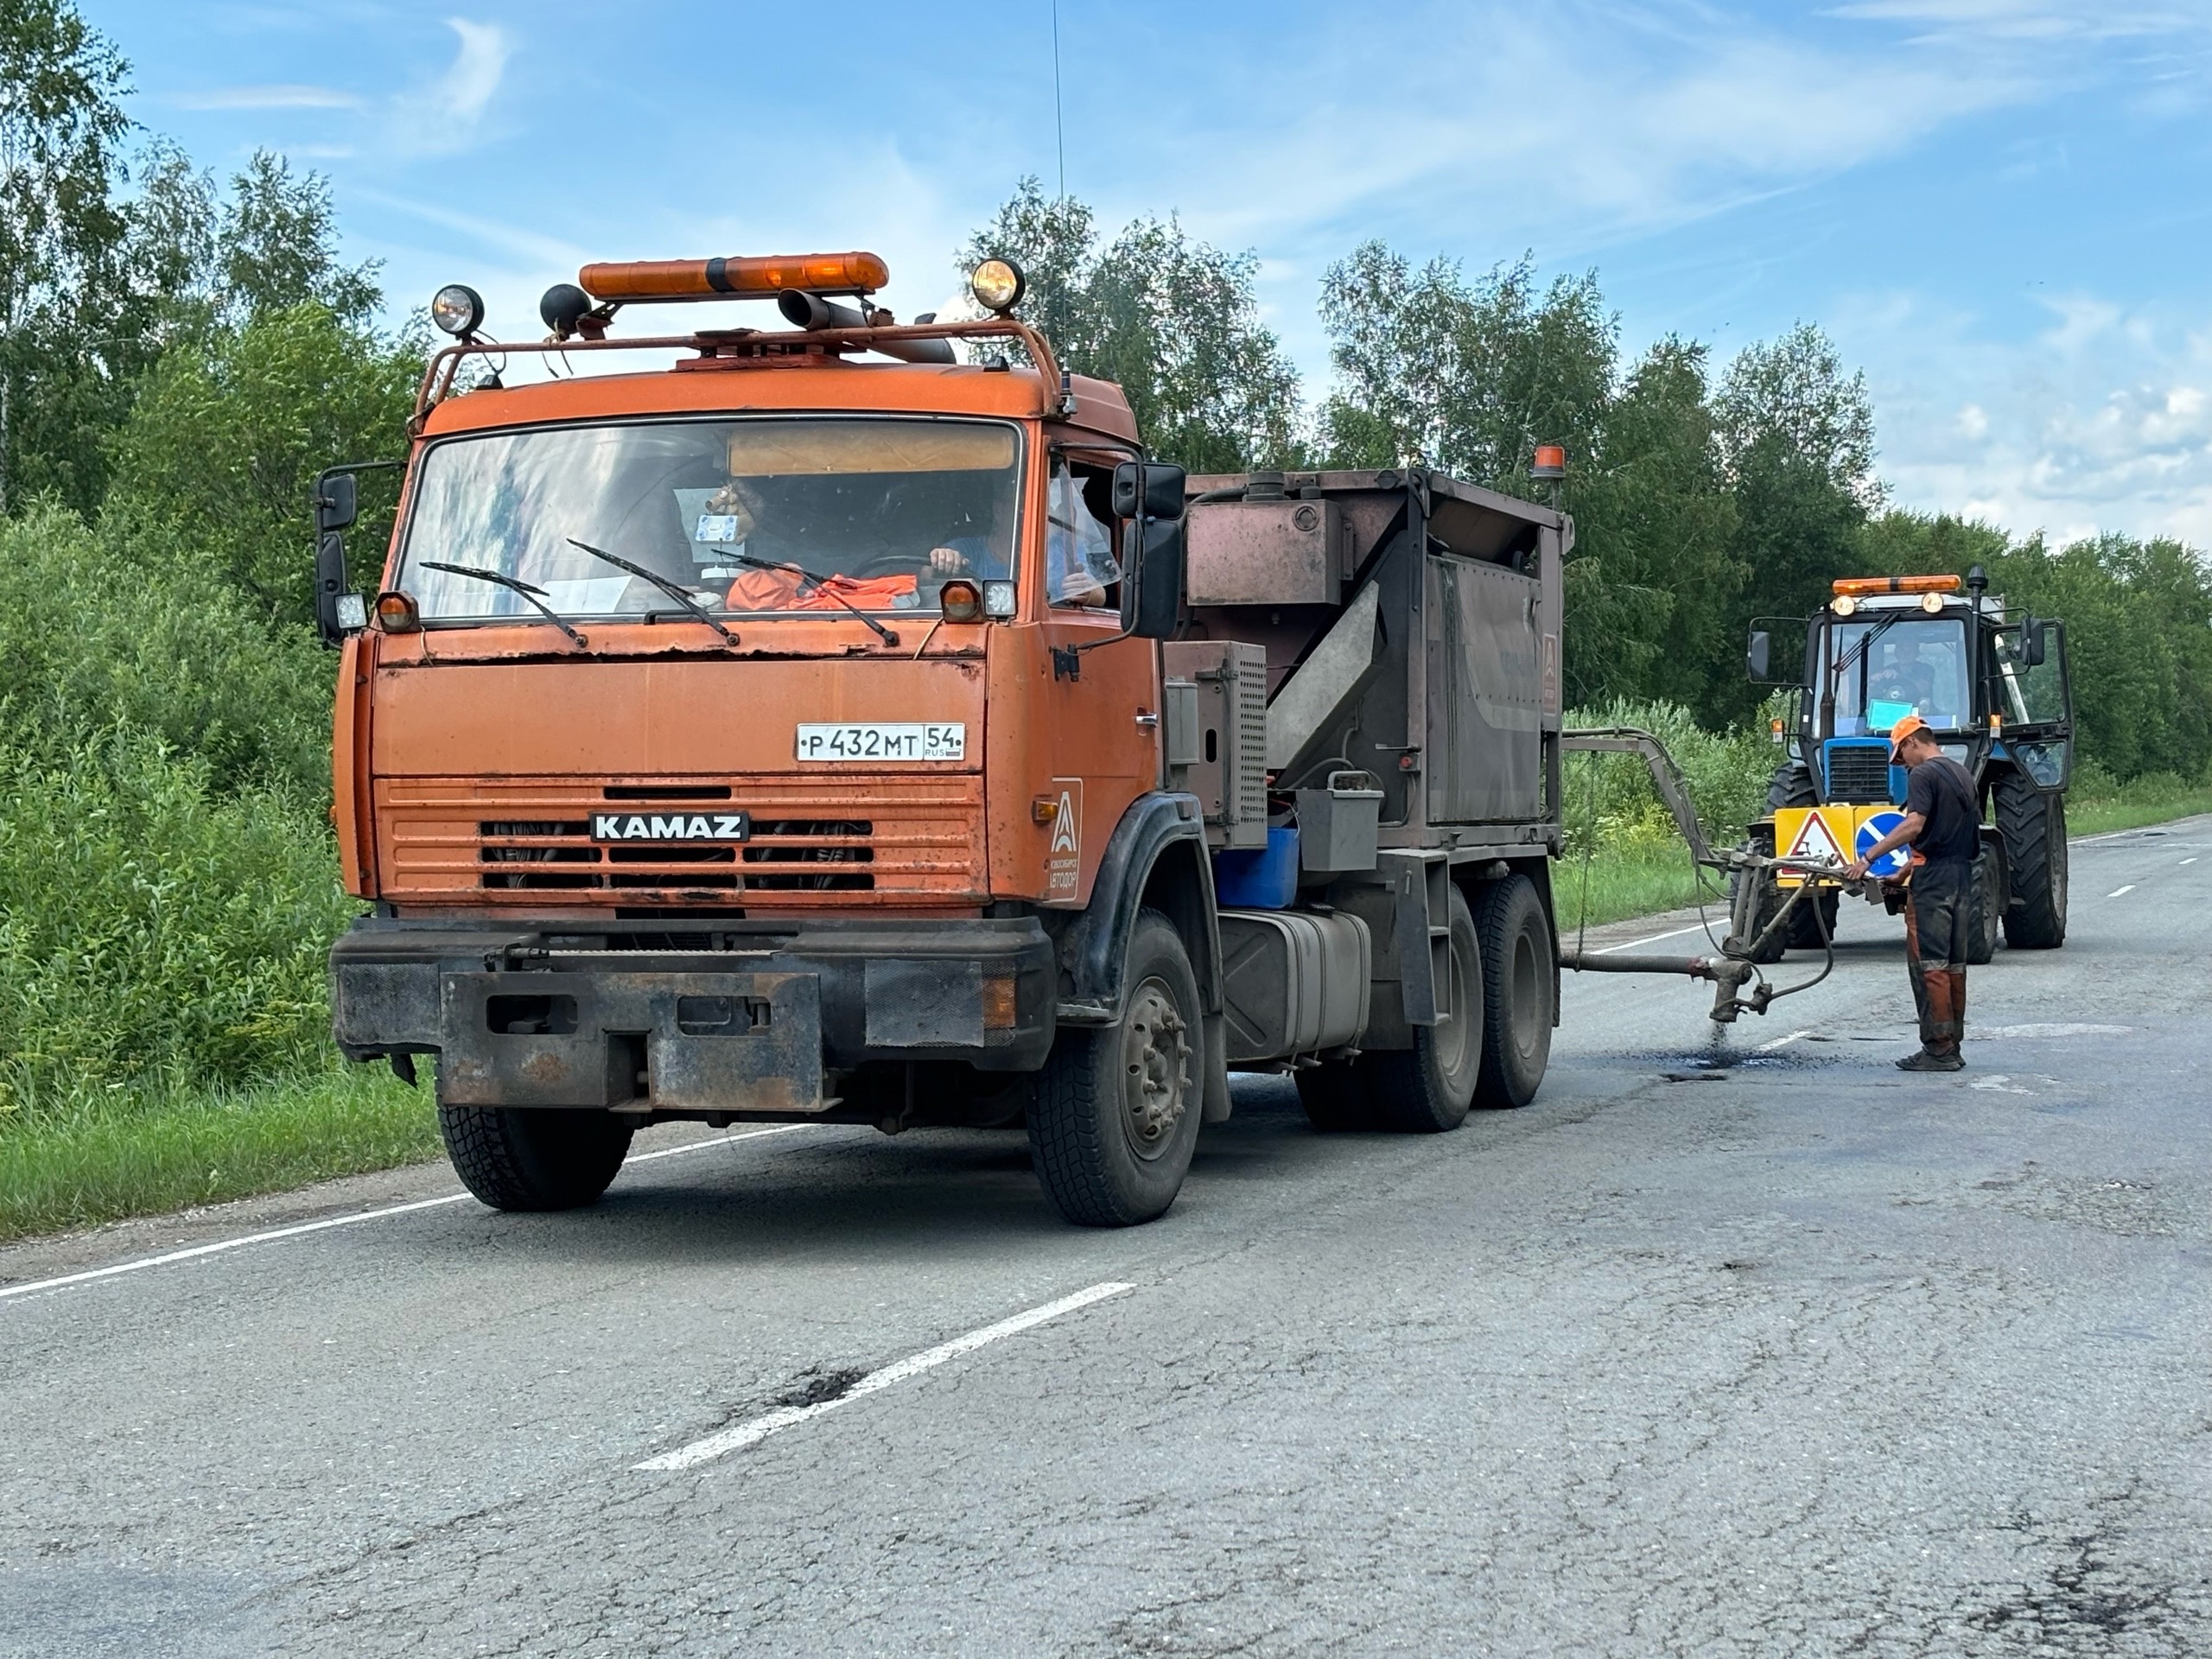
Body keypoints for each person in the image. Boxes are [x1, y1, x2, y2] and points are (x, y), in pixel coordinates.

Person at [1844, 712, 1980, 1071]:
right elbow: (1944, 834)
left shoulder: (1924, 774)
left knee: (1928, 965)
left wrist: (1868, 858)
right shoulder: (1962, 773)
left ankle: (1938, 1050)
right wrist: (1902, 873)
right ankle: (1953, 1043)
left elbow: (1915, 824)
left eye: (1901, 757)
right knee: (1953, 965)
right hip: (1963, 877)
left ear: (1912, 742)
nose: (1903, 766)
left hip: (1934, 883)